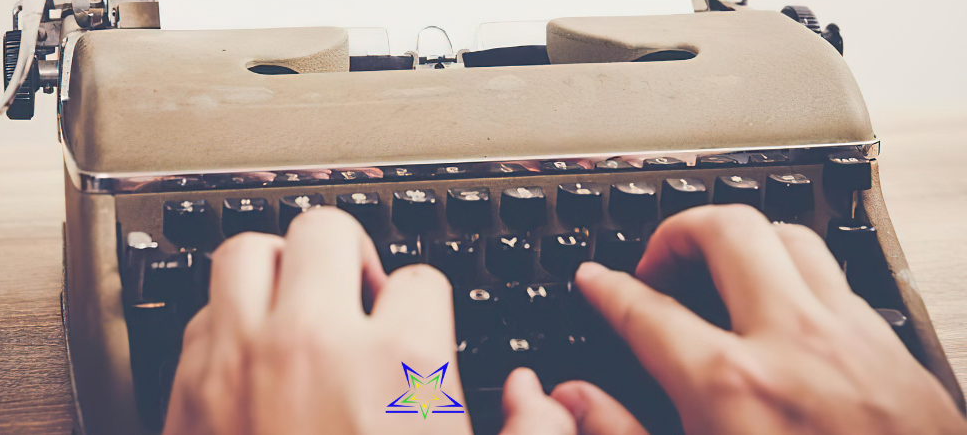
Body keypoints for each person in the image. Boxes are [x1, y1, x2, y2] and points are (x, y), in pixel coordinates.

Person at [163, 204, 967, 435]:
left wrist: (430, 399)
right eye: (426, 385)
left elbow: (430, 396)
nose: (429, 383)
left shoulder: (425, 388)